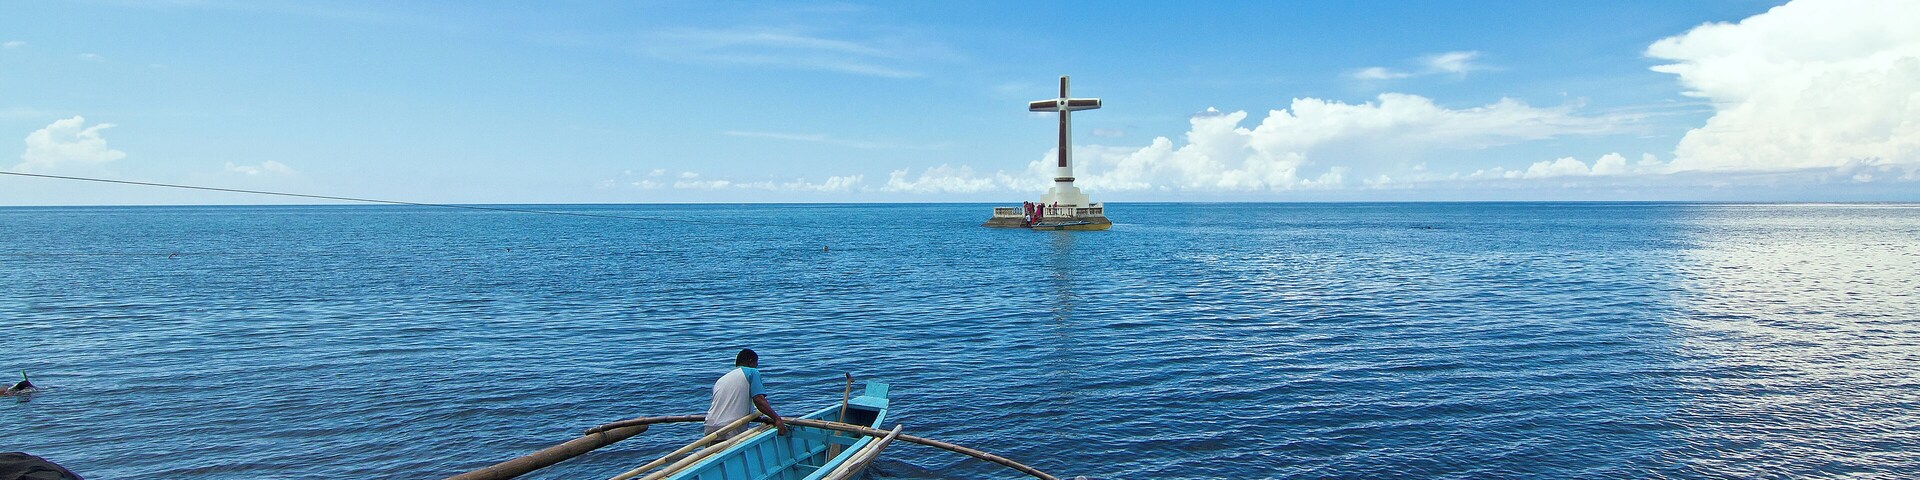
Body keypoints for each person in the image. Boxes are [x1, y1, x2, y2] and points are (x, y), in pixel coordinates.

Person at [705, 349, 786, 439]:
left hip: (710, 425)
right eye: (756, 364)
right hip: (730, 426)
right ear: (751, 362)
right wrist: (776, 418)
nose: (756, 367)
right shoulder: (752, 372)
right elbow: (758, 399)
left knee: (714, 452)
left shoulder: (721, 379)